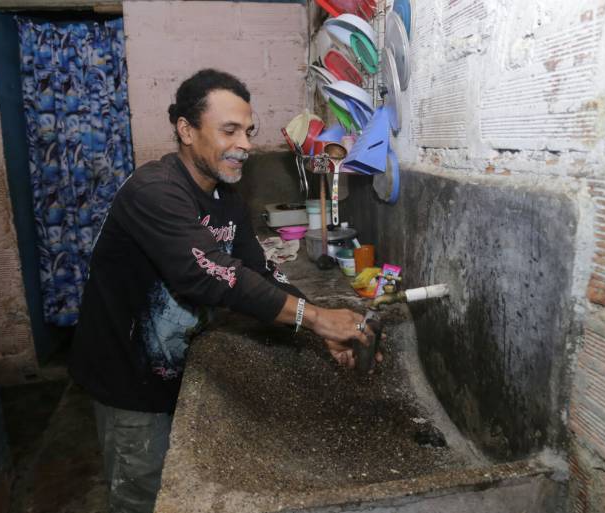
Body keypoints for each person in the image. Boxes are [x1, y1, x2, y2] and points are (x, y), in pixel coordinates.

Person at [69, 68, 379, 513]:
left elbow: (257, 268)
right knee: (146, 498)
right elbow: (208, 272)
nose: (246, 145)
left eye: (249, 132)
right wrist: (314, 318)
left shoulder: (225, 194)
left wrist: (321, 322)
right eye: (229, 130)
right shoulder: (153, 192)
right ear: (186, 130)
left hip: (177, 365)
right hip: (128, 381)